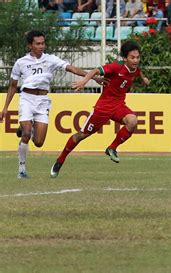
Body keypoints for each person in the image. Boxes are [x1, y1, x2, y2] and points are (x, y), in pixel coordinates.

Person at [0, 30, 104, 179]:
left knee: (39, 142)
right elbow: (12, 86)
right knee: (27, 133)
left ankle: (24, 129)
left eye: (43, 43)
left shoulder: (51, 59)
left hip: (42, 101)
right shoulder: (21, 62)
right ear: (30, 45)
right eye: (38, 43)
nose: (41, 46)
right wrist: (5, 108)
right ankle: (22, 169)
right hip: (27, 98)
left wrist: (92, 78)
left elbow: (72, 68)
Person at [50, 41, 150, 178]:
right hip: (103, 107)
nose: (136, 60)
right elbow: (96, 70)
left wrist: (144, 79)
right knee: (80, 136)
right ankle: (60, 160)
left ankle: (112, 148)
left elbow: (138, 73)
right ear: (125, 58)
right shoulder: (115, 67)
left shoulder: (135, 69)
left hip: (119, 106)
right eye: (132, 57)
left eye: (138, 57)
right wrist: (84, 81)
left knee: (132, 121)